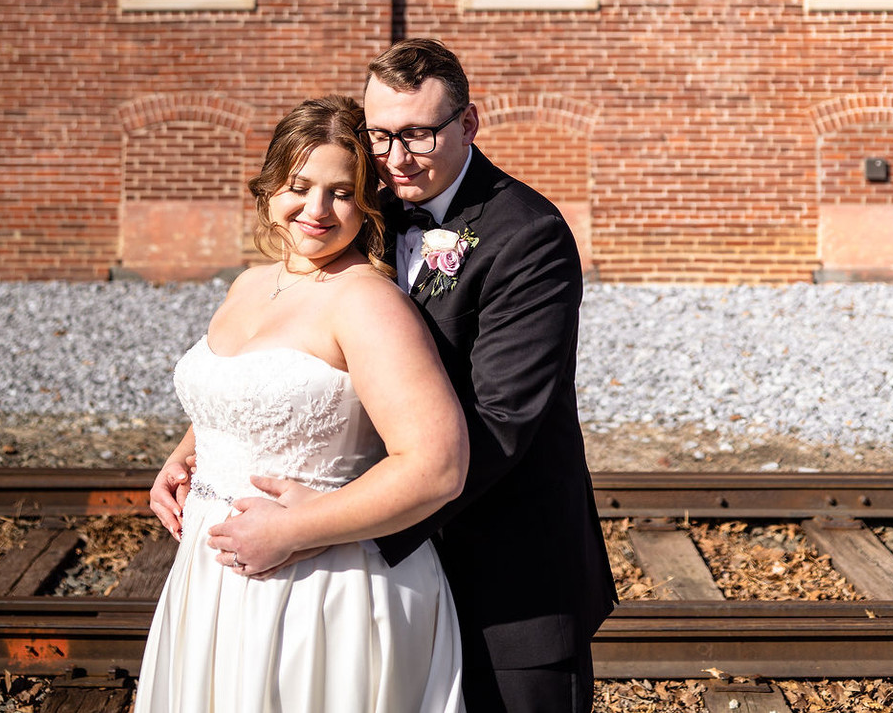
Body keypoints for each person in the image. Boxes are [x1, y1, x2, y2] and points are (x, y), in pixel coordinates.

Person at [219, 41, 617, 713]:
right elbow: (303, 346)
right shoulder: (364, 209)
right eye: (380, 136)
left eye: (418, 134)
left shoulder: (529, 236)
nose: (396, 158)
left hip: (502, 575)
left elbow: (503, 423)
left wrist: (342, 521)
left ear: (468, 124)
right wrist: (209, 436)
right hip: (371, 579)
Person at [135, 94, 469, 713]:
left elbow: (438, 466)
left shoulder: (366, 301)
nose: (316, 210)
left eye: (341, 192)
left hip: (317, 586)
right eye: (298, 185)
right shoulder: (251, 283)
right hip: (212, 576)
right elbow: (240, 390)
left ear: (367, 203)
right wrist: (186, 454)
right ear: (267, 189)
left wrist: (291, 530)